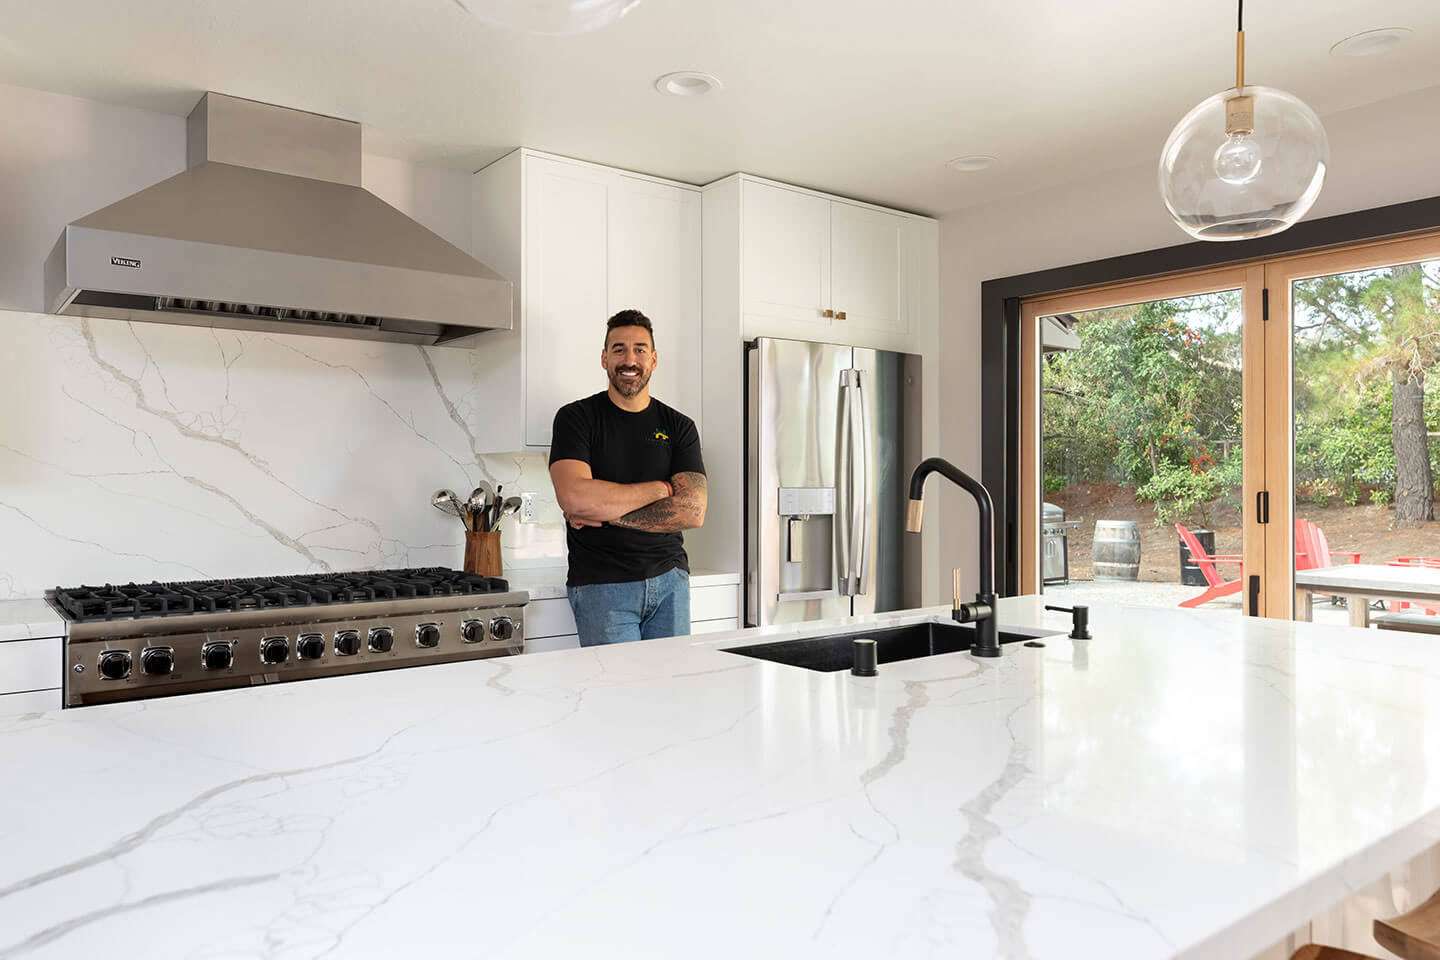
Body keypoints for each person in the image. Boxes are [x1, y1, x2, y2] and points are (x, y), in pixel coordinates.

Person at [548, 309, 707, 646]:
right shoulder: (576, 418)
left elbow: (692, 510)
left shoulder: (679, 426)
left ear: (654, 358)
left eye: (639, 349)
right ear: (605, 359)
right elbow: (575, 498)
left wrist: (605, 512)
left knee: (671, 692)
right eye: (618, 349)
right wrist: (662, 488)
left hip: (670, 582)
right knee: (615, 696)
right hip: (602, 585)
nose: (629, 359)